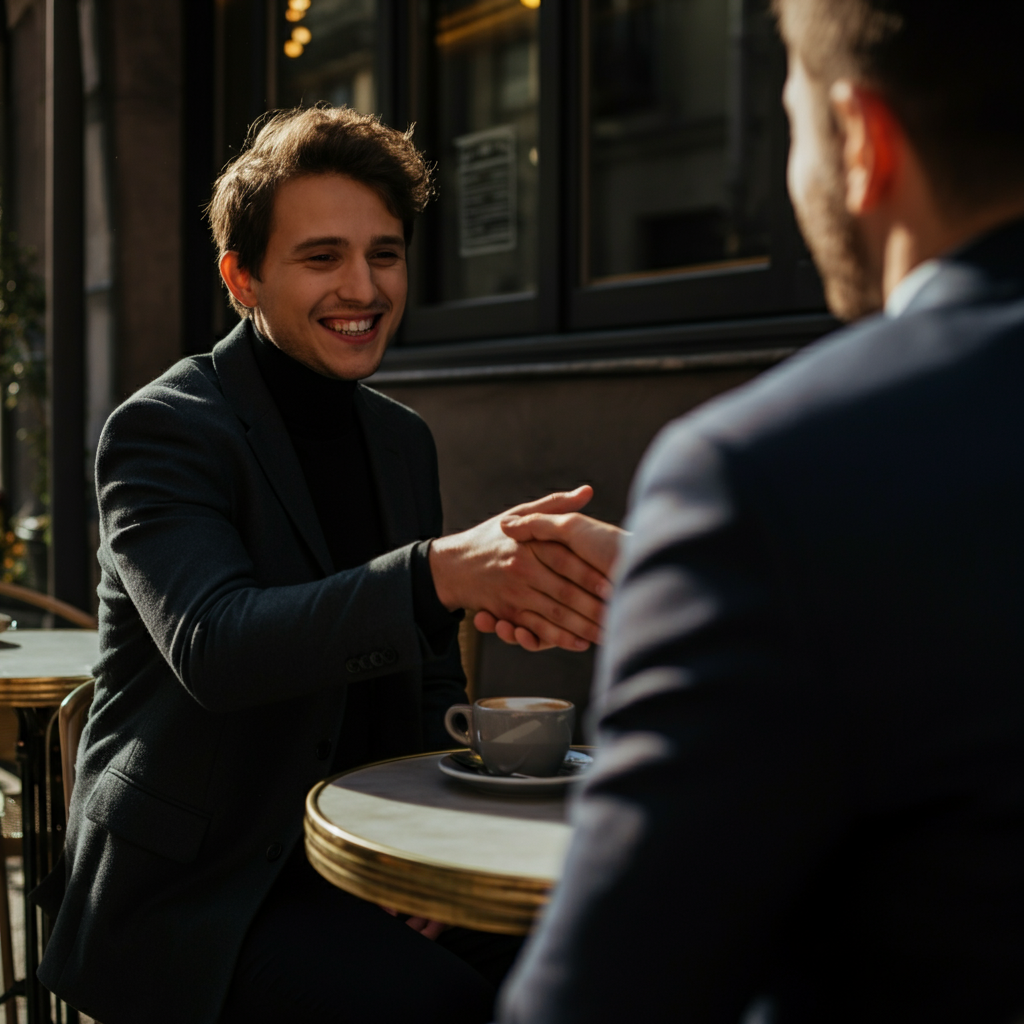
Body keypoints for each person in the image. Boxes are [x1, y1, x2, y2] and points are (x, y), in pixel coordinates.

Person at [499, 0, 1024, 1021]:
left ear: (863, 139)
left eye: (793, 121)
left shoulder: (759, 473)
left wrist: (726, 567)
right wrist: (682, 577)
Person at [37, 106, 618, 1024]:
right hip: (207, 889)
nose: (363, 287)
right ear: (242, 277)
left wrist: (440, 856)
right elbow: (217, 646)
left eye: (384, 254)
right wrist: (439, 573)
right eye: (322, 257)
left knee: (603, 955)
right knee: (432, 1005)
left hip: (369, 853)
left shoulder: (402, 441)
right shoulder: (163, 430)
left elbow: (430, 680)